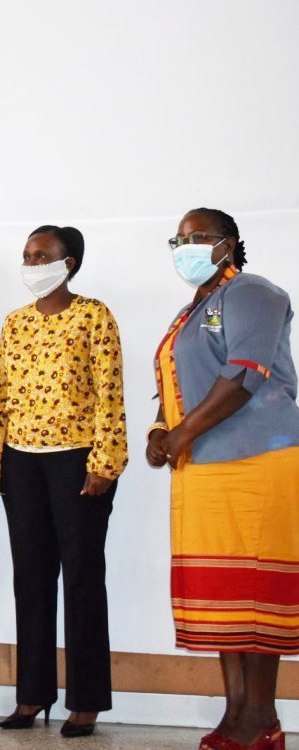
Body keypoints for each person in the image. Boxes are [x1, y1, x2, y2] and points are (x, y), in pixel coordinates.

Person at [148, 208, 298, 750]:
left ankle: (263, 719)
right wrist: (161, 429)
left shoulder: (254, 292)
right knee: (227, 599)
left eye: (199, 236)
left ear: (229, 243)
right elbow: (180, 384)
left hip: (257, 461)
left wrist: (183, 432)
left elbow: (244, 374)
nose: (186, 246)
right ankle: (236, 714)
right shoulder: (193, 311)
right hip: (205, 468)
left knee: (255, 595)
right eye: (179, 239)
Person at [0, 226, 127, 738]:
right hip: (21, 462)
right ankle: (32, 696)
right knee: (31, 580)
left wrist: (106, 460)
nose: (31, 262)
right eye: (26, 254)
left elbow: (110, 390)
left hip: (78, 463)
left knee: (83, 578)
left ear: (68, 263)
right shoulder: (15, 323)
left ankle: (85, 701)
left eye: (41, 255)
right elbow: (1, 395)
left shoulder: (94, 315)